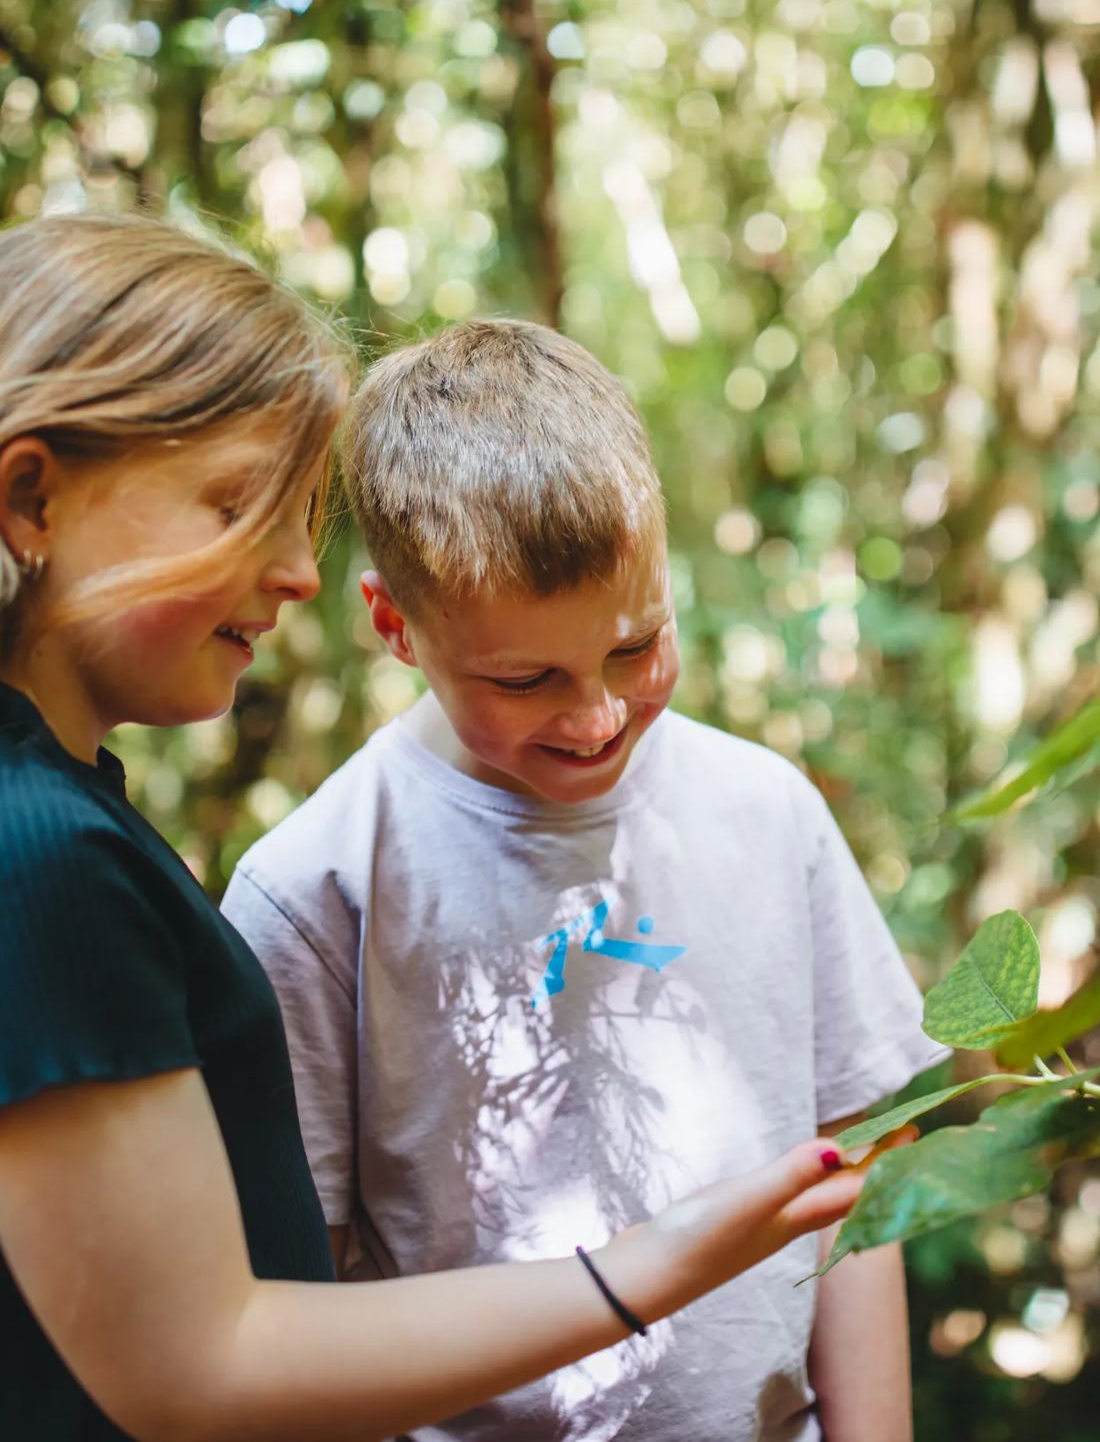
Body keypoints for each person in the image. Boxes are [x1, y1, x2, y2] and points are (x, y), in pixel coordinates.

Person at [0, 219, 887, 1442]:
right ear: (30, 496)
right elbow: (196, 1364)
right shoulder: (14, 857)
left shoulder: (33, 815)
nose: (292, 571)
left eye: (300, 515)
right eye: (238, 503)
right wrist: (643, 1270)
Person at [222, 318, 945, 1442]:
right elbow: (293, 1301)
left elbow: (857, 1172)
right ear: (394, 626)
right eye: (525, 678)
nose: (598, 714)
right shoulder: (316, 889)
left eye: (634, 644)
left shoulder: (767, 811)